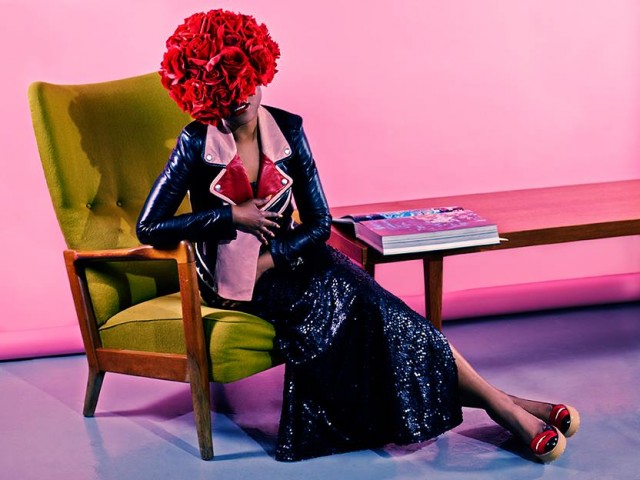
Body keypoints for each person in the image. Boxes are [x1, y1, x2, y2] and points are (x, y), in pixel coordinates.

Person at [137, 9, 579, 463]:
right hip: (233, 281)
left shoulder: (288, 129)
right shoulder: (195, 143)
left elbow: (318, 223)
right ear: (206, 93)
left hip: (293, 256)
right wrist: (231, 217)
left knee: (390, 315)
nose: (241, 96)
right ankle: (508, 408)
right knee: (360, 315)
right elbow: (149, 227)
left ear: (260, 71)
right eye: (227, 89)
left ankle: (503, 404)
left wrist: (272, 257)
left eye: (247, 81)